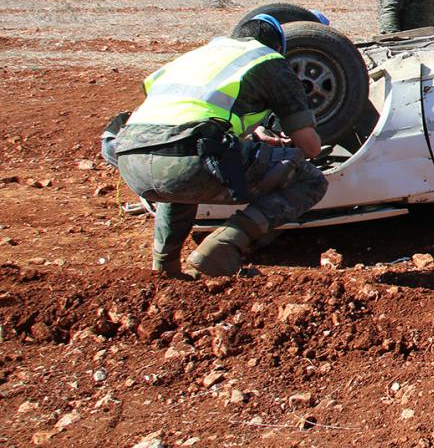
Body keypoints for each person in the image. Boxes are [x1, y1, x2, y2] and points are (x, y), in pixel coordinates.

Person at [111, 15, 328, 278]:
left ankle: (166, 269)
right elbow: (310, 147)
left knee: (180, 184)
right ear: (277, 47)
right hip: (189, 158)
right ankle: (222, 247)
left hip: (131, 160)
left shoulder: (197, 57)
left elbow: (185, 114)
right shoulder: (269, 59)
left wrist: (252, 136)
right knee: (310, 180)